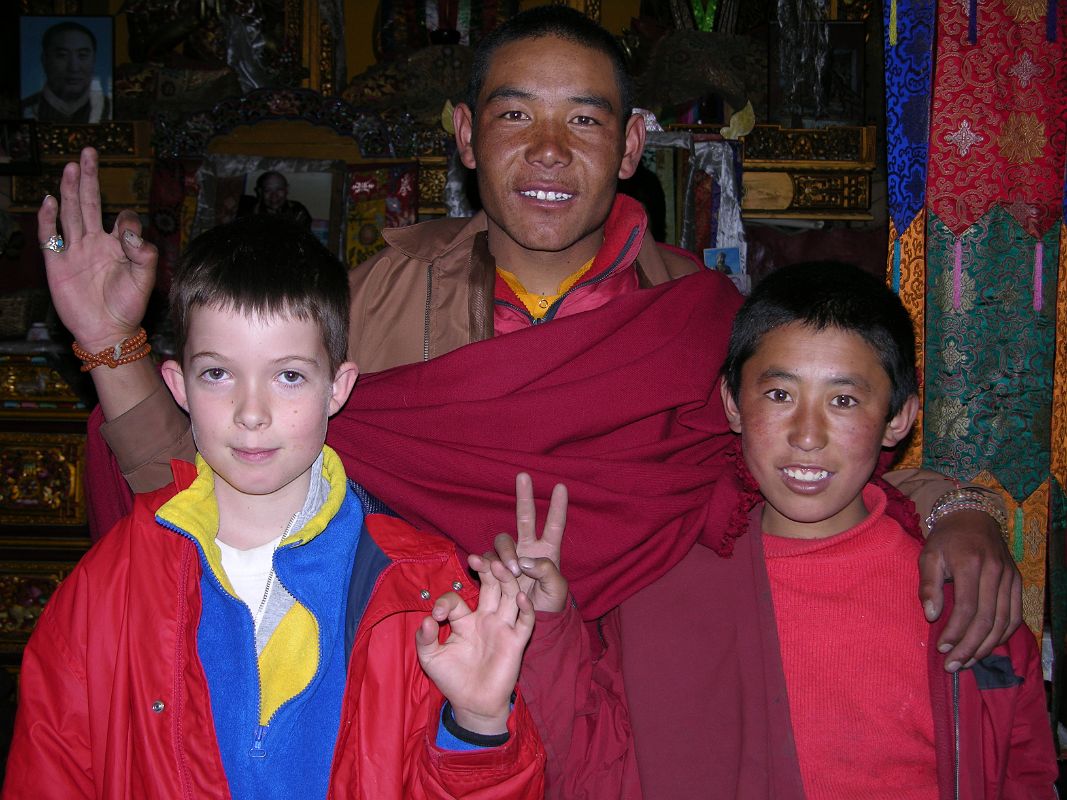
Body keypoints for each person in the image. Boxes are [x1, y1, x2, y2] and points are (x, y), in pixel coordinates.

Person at [39, 6, 1021, 796]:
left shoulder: (693, 317)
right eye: (514, 115)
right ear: (465, 134)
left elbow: (808, 456)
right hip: (411, 725)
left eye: (584, 119)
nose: (548, 150)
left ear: (632, 141)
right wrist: (112, 346)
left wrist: (955, 505)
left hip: (631, 726)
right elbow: (222, 475)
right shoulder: (374, 296)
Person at [4, 216, 545, 799]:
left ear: (337, 388)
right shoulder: (105, 589)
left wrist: (478, 725)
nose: (252, 412)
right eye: (218, 374)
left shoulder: (425, 591)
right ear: (177, 385)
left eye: (288, 376)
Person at [716, 261, 1056, 798]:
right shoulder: (681, 577)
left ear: (899, 418)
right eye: (780, 395)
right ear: (732, 402)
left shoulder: (966, 594)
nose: (807, 435)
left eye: (844, 400)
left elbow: (1025, 771)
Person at [22, 21, 110, 123]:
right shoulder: (26, 110)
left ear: (94, 60)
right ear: (44, 59)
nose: (74, 67)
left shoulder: (108, 110)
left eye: (82, 55)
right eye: (62, 55)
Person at [237, 170, 313, 229]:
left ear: (287, 190)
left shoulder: (298, 211)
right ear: (260, 192)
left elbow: (303, 243)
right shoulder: (248, 211)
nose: (274, 196)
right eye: (268, 190)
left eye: (279, 189)